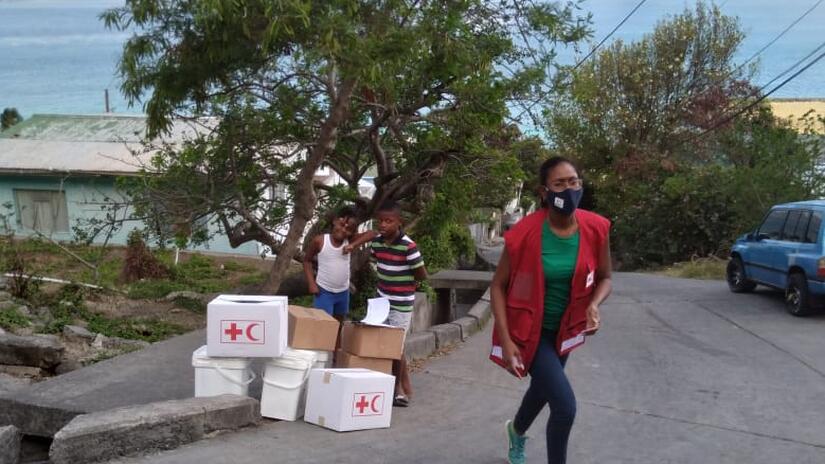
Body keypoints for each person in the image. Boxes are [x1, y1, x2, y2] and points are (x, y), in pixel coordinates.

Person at [490, 157, 612, 464]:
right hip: (530, 333)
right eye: (559, 184)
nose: (569, 189)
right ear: (544, 192)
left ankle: (516, 432)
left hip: (566, 330)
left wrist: (594, 305)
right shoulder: (524, 234)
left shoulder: (596, 228)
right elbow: (497, 286)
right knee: (565, 406)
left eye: (574, 182)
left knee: (544, 389)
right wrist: (505, 340)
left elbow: (605, 278)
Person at [345, 200, 428, 407]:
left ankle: (398, 388)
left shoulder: (409, 247)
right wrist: (382, 277)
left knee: (395, 345)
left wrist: (407, 284)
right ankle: (404, 384)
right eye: (380, 221)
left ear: (399, 223)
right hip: (381, 299)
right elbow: (375, 261)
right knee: (392, 345)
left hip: (401, 304)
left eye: (388, 221)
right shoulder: (377, 243)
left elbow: (421, 273)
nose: (383, 225)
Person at [303, 206, 357, 322]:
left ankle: (337, 341)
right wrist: (311, 283)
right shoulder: (320, 241)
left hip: (343, 292)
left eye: (348, 229)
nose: (343, 230)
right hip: (324, 292)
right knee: (324, 325)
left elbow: (372, 233)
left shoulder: (349, 242)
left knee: (338, 324)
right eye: (342, 225)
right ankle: (323, 341)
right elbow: (307, 261)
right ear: (335, 221)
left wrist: (354, 244)